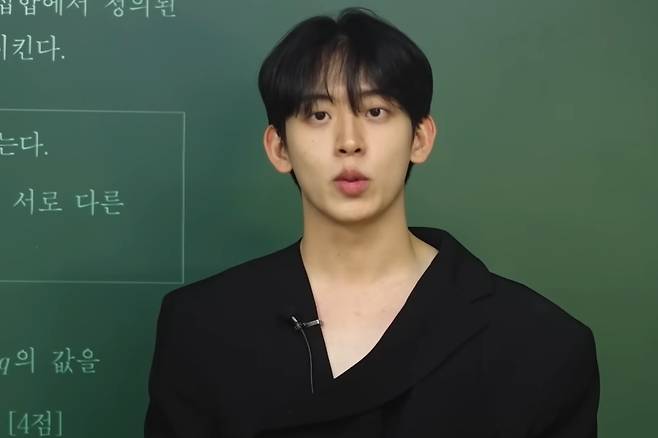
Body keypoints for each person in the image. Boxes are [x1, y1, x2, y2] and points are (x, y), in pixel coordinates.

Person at [144, 7, 599, 437]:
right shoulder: (202, 328)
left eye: (375, 112)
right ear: (279, 148)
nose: (349, 141)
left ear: (420, 138)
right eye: (319, 115)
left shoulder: (541, 343)